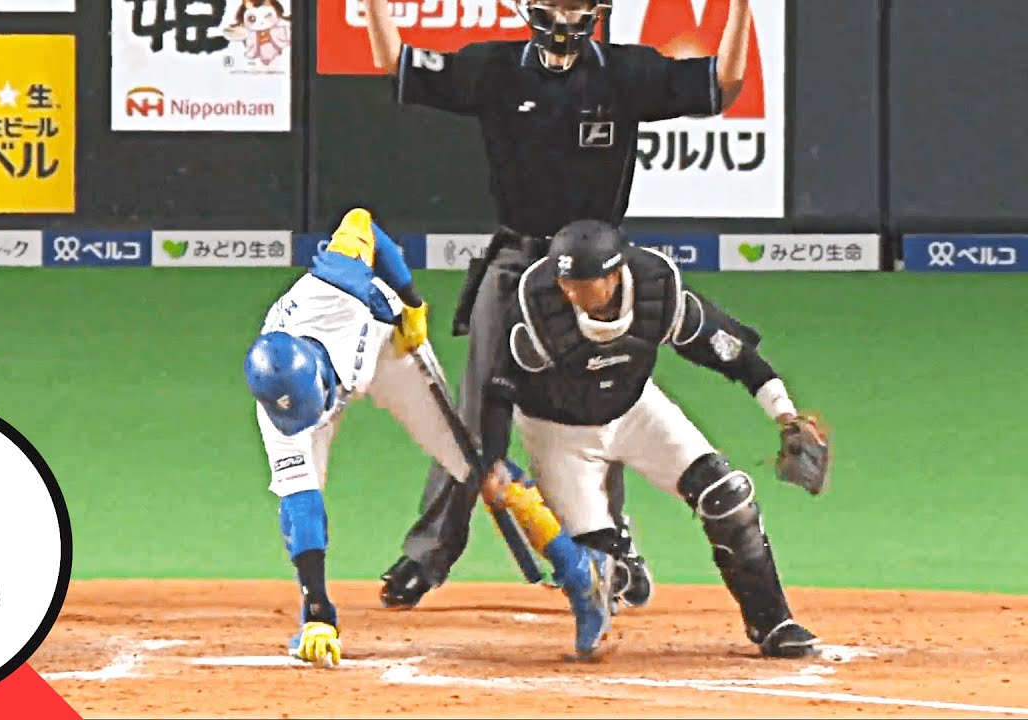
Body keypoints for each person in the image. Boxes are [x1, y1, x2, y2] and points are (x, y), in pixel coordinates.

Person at [365, 0, 758, 610]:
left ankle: (612, 547)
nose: (564, 20)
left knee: (601, 397)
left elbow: (723, 84)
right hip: (516, 265)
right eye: (553, 7)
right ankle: (429, 554)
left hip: (599, 270)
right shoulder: (494, 69)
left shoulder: (625, 73)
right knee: (475, 414)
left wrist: (741, 8)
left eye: (576, 8)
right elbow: (396, 62)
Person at [244, 208, 610, 666]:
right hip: (335, 372)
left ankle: (580, 573)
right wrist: (318, 612)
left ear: (321, 379)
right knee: (300, 495)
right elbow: (302, 506)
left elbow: (361, 221)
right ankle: (315, 619)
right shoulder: (277, 404)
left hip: (389, 347)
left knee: (478, 468)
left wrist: (411, 301)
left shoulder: (333, 289)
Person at [477, 219, 824, 658]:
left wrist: (785, 415)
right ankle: (616, 553)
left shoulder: (657, 289)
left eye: (582, 283)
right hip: (557, 434)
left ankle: (775, 623)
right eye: (564, 282)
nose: (570, 293)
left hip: (636, 410)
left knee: (728, 497)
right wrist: (493, 460)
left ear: (614, 275)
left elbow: (732, 354)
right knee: (597, 573)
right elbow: (499, 388)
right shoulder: (536, 306)